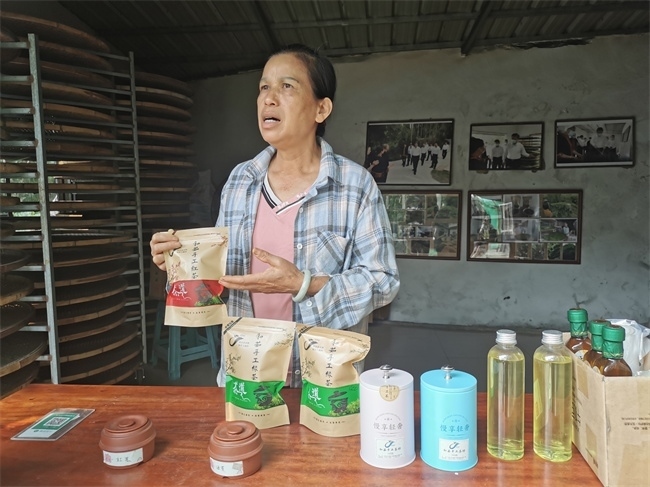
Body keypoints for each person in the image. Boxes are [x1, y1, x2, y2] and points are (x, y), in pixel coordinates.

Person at [150, 44, 400, 388]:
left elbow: (383, 281)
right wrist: (182, 263)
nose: (268, 98)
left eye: (287, 86)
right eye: (264, 87)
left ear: (321, 109)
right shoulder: (240, 180)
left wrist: (304, 285)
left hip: (323, 381)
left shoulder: (355, 186)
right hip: (248, 375)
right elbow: (222, 280)